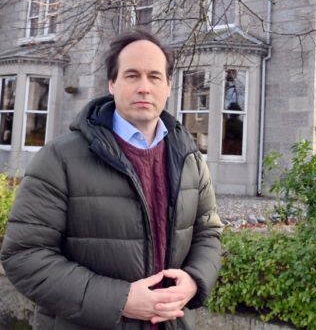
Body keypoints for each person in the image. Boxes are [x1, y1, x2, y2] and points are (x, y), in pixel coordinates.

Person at [0, 30, 224, 329]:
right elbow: (24, 255)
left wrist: (195, 280)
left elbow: (209, 234)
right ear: (112, 83)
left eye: (155, 77)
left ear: (169, 86)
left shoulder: (191, 158)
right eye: (132, 75)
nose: (144, 87)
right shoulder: (59, 158)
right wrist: (120, 300)